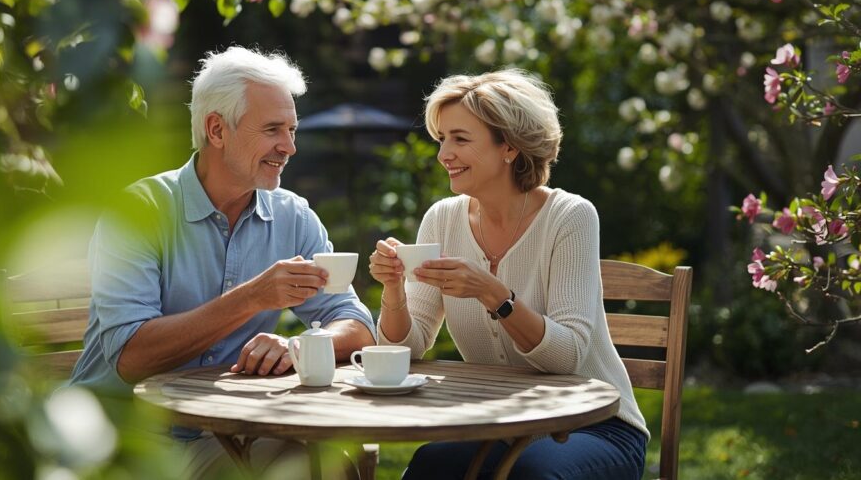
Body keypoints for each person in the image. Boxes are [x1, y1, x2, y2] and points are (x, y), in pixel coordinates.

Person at [70, 46, 376, 477]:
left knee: (326, 466)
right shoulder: (139, 211)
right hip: (123, 438)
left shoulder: (292, 216)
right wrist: (252, 297)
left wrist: (301, 344)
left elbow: (358, 325)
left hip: (227, 432)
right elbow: (132, 358)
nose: (288, 147)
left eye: (292, 130)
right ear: (217, 129)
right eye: (273, 130)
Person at [368, 69, 648, 480]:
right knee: (430, 467)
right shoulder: (441, 220)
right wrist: (394, 289)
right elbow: (408, 351)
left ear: (510, 147)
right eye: (441, 139)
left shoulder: (569, 217)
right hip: (499, 425)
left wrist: (493, 294)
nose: (444, 154)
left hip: (594, 425)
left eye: (460, 139)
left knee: (534, 475)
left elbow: (567, 356)